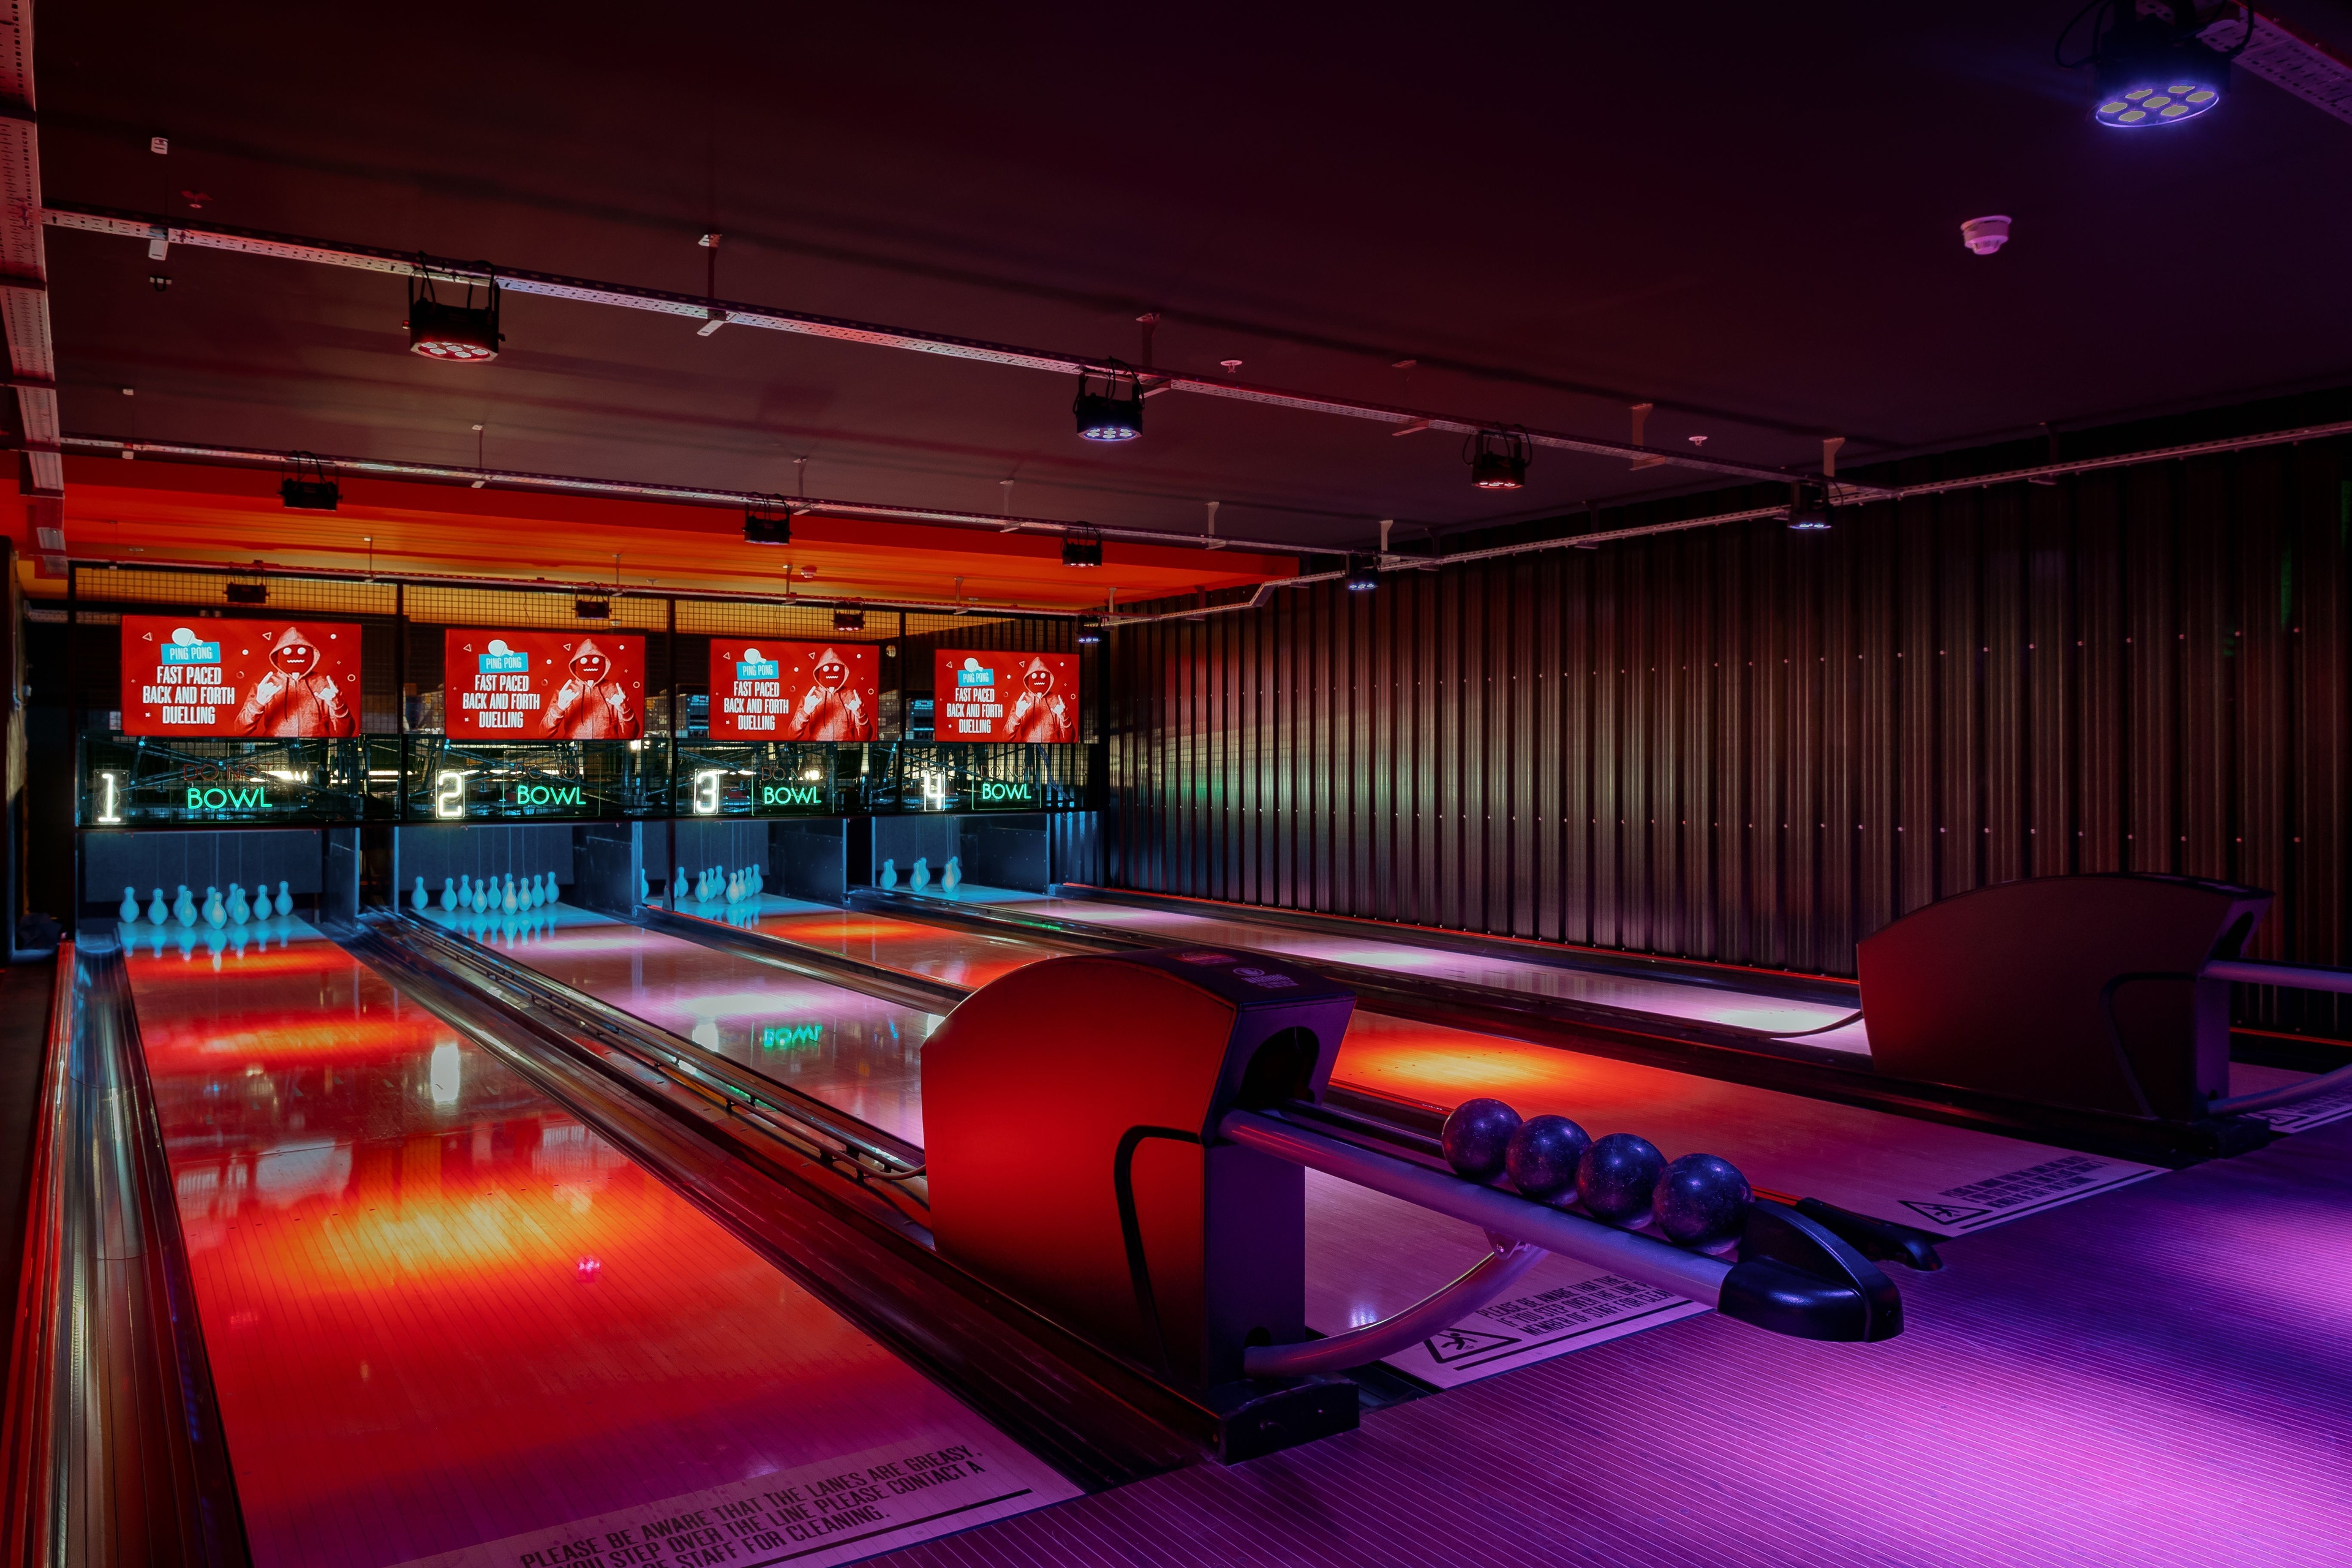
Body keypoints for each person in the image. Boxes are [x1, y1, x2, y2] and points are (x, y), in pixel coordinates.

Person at [235, 625, 356, 736]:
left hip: (317, 749)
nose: (295, 656)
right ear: (277, 657)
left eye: (302, 651)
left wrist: (340, 707)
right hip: (276, 749)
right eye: (287, 652)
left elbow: (346, 734)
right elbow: (240, 730)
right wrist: (258, 703)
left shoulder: (325, 684)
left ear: (312, 655)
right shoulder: (265, 686)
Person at [539, 637, 636, 738]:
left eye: (596, 661)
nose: (590, 665)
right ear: (575, 665)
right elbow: (544, 733)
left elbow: (632, 735)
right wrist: (559, 708)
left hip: (608, 747)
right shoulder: (565, 692)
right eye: (584, 661)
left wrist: (626, 711)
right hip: (572, 747)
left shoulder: (615, 690)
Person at [785, 646, 872, 741]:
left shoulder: (852, 696)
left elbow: (866, 738)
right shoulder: (810, 698)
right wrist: (805, 713)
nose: (831, 673)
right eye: (826, 669)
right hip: (817, 749)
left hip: (845, 748)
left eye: (837, 669)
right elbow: (792, 735)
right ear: (819, 673)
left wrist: (862, 716)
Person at [1005, 655, 1073, 742]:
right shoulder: (1021, 703)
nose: (1039, 679)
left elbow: (1070, 740)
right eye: (1034, 677)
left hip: (1052, 749)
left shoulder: (1057, 701)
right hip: (1027, 749)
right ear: (1028, 680)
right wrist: (1016, 716)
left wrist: (1066, 719)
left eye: (1044, 676)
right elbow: (1006, 738)